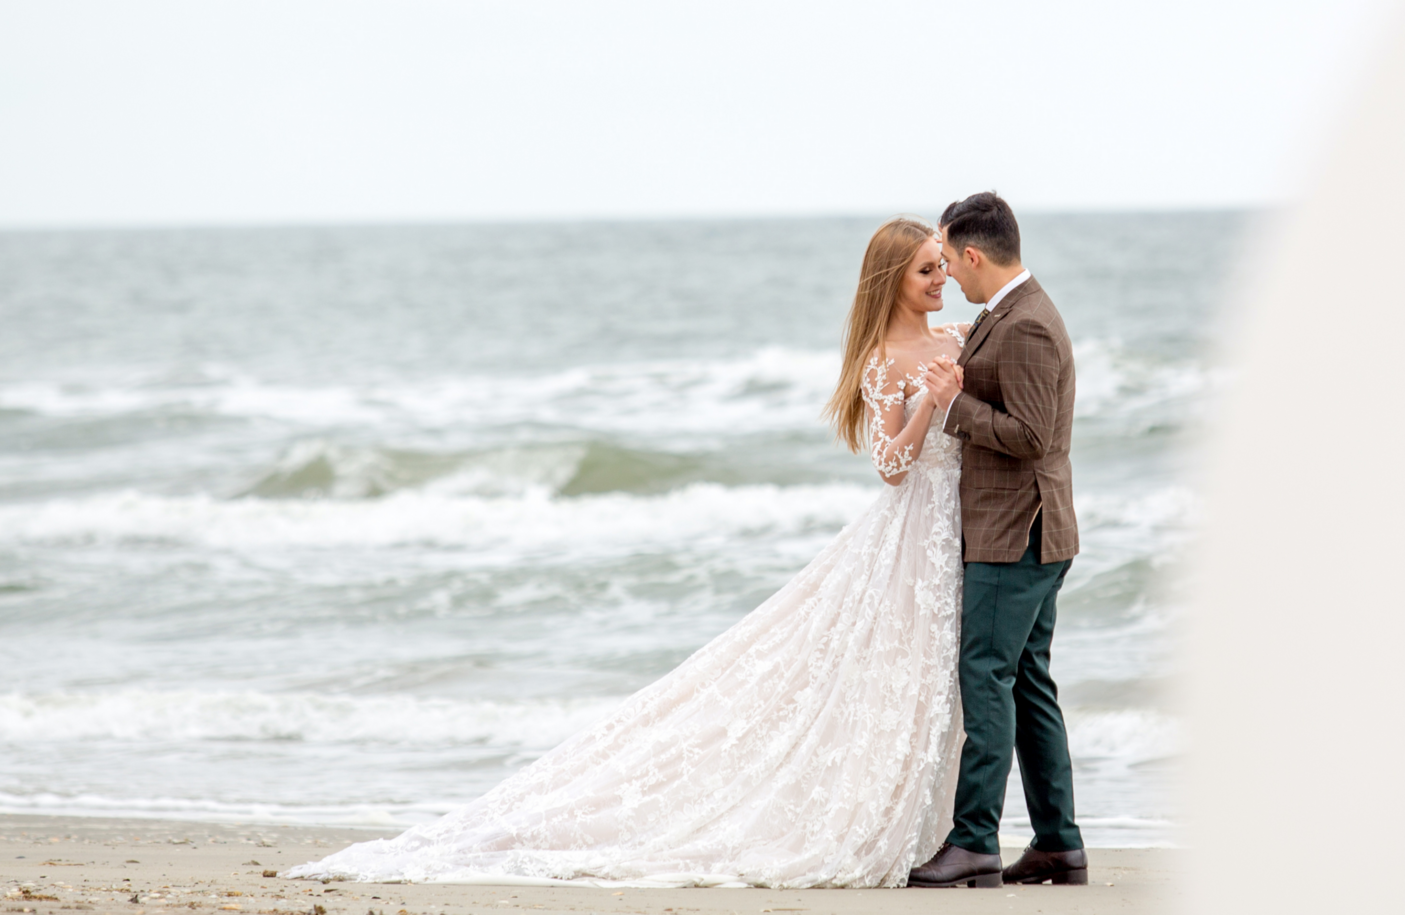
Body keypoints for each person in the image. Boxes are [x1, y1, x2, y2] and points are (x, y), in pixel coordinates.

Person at [284, 217, 973, 888]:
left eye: (942, 263)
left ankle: (935, 830)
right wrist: (927, 403)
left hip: (960, 524)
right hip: (910, 529)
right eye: (926, 269)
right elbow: (889, 463)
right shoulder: (885, 360)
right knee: (896, 671)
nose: (941, 276)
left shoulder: (958, 334)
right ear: (892, 279)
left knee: (932, 677)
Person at [907, 192, 1086, 888]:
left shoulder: (1028, 325)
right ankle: (1057, 844)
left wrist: (954, 406)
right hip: (1029, 530)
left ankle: (975, 840)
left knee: (985, 676)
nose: (947, 272)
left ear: (974, 254)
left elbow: (1032, 437)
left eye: (949, 259)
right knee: (1029, 683)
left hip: (1017, 532)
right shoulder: (1005, 313)